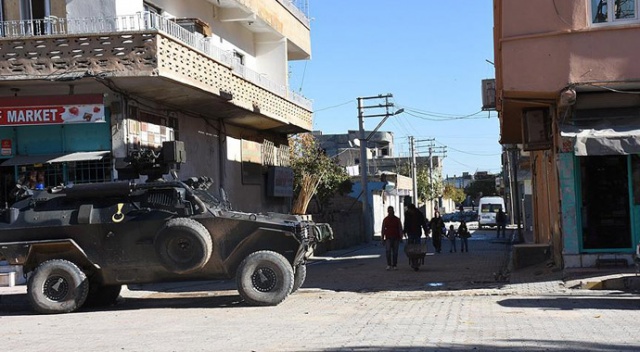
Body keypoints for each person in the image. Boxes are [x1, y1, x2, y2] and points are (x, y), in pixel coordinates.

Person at [381, 206, 403, 270]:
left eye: (391, 210)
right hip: (388, 238)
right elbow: (383, 229)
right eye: (389, 210)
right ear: (388, 211)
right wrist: (382, 238)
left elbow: (400, 228)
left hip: (396, 237)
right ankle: (389, 264)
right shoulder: (385, 220)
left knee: (395, 252)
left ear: (393, 211)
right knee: (388, 251)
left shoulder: (397, 219)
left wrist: (401, 236)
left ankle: (394, 265)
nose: (390, 212)